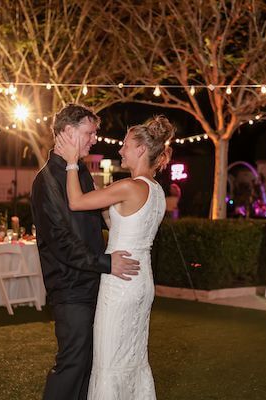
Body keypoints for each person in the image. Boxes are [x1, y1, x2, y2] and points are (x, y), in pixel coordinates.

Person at [55, 114, 174, 399]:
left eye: (125, 145)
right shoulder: (156, 191)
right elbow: (119, 224)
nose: (120, 150)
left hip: (120, 283)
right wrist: (104, 200)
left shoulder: (129, 186)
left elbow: (76, 202)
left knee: (109, 361)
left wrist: (72, 162)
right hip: (142, 280)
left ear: (142, 150)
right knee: (132, 358)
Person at [30, 104, 141, 400]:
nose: (94, 139)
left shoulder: (78, 172)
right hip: (69, 287)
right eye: (89, 133)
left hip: (92, 282)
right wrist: (107, 263)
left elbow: (92, 225)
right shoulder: (46, 181)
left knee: (89, 364)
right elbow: (61, 242)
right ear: (67, 132)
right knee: (72, 363)